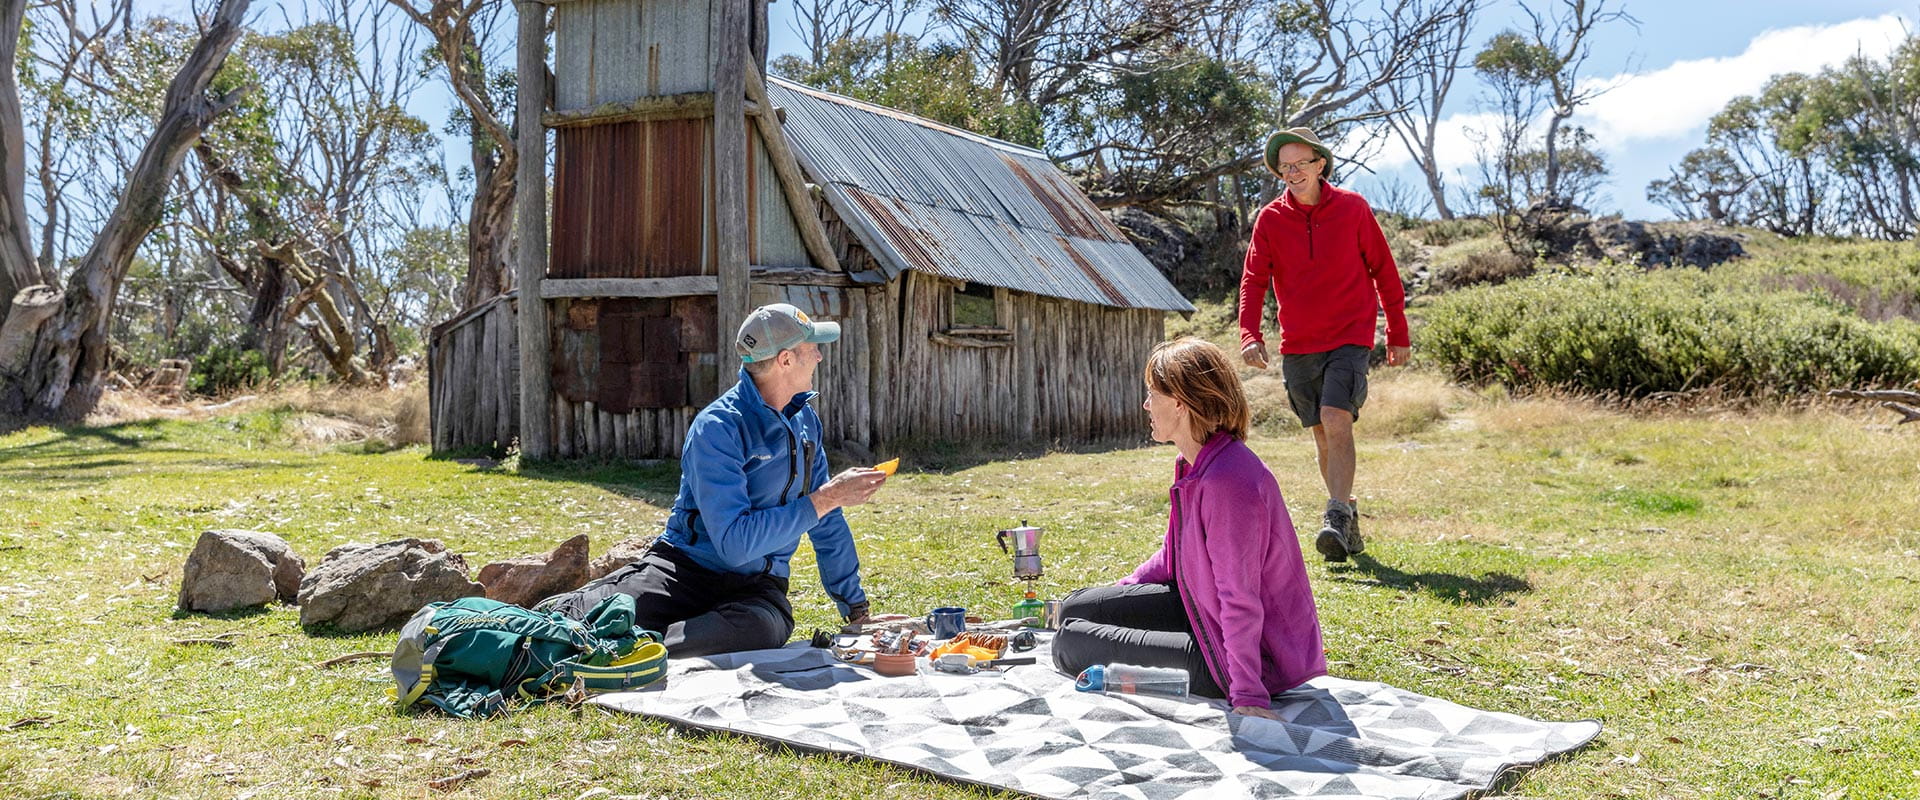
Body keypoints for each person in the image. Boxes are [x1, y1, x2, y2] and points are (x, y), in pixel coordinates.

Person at [537, 303, 887, 657]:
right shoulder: (718, 428)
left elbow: (827, 522)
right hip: (683, 572)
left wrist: (857, 611)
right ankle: (614, 637)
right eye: (812, 348)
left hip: (757, 589)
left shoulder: (805, 424)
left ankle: (633, 650)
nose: (819, 357)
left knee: (763, 629)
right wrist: (825, 499)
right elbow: (734, 544)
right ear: (785, 360)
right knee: (579, 622)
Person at [1051, 338, 1325, 719]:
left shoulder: (1229, 482)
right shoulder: (1194, 463)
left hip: (1235, 660)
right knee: (1074, 608)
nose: (1147, 405)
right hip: (1198, 609)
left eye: (1152, 395)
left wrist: (1247, 694)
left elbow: (1239, 596)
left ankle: (1238, 684)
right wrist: (1124, 595)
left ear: (1179, 402)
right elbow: (1172, 556)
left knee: (1068, 643)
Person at [1237, 126, 1410, 563]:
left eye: (1300, 163)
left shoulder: (1353, 209)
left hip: (1349, 337)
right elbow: (1254, 280)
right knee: (1320, 432)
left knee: (1336, 418)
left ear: (1320, 164)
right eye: (1285, 167)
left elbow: (1384, 272)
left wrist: (1397, 332)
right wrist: (1249, 334)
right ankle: (1347, 514)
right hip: (1299, 344)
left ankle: (1333, 514)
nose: (1292, 172)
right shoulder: (1271, 220)